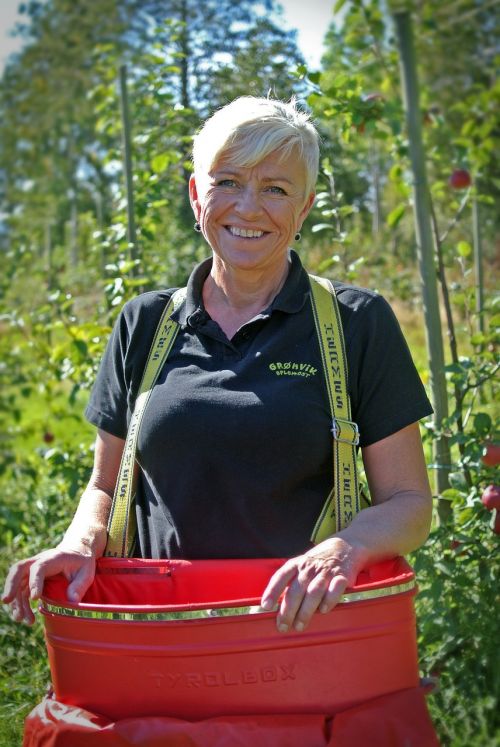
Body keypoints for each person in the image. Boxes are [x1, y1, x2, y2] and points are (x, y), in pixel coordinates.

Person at [3, 96, 433, 636]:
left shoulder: (356, 323)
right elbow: (105, 486)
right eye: (227, 181)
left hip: (301, 635)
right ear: (195, 195)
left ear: (305, 210)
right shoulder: (144, 322)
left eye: (276, 189)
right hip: (160, 632)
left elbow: (410, 503)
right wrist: (79, 542)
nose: (249, 208)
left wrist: (346, 550)